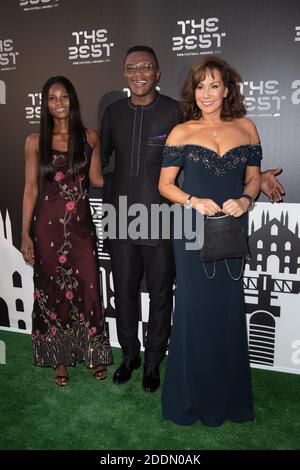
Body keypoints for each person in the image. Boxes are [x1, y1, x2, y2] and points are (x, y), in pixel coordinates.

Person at [158, 55, 262, 426]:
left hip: (231, 231)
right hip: (190, 232)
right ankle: (188, 400)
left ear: (227, 89)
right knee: (193, 313)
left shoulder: (247, 128)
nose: (206, 93)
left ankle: (228, 399)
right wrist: (193, 200)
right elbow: (165, 185)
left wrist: (246, 199)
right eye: (200, 86)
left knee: (227, 311)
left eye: (213, 85)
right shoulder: (181, 132)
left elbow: (253, 179)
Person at [21, 76, 112, 386]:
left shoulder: (90, 137)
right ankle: (59, 359)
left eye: (63, 96)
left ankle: (93, 354)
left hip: (81, 230)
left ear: (72, 99)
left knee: (88, 288)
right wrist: (24, 234)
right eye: (51, 98)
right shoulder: (35, 141)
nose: (58, 102)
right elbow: (30, 189)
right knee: (52, 292)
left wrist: (140, 172)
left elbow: (98, 179)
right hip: (46, 231)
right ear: (45, 104)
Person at [100, 46, 181, 393]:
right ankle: (130, 355)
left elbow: (203, 156)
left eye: (146, 66)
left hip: (161, 216)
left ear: (158, 73)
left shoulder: (176, 112)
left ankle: (152, 363)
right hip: (120, 217)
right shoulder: (113, 112)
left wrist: (254, 174)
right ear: (124, 74)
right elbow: (97, 159)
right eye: (131, 67)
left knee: (162, 294)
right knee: (125, 293)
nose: (138, 73)